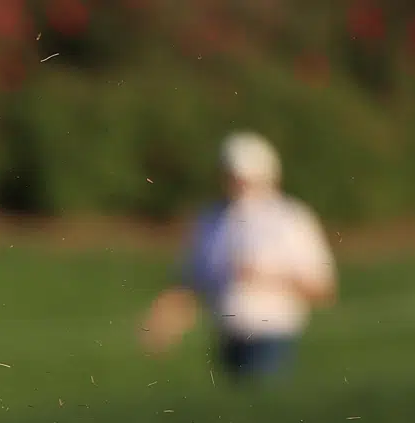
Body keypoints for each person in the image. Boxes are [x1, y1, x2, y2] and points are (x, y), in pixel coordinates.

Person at [142, 131, 337, 380]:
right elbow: (193, 281)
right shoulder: (212, 220)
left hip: (272, 337)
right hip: (226, 336)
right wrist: (166, 320)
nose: (238, 186)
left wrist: (264, 276)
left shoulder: (291, 219)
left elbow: (322, 288)